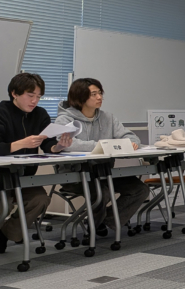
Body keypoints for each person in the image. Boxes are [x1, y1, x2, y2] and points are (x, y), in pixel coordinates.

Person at [54, 78, 151, 233]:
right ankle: (94, 228)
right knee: (102, 192)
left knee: (140, 190)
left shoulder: (108, 118)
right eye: (94, 94)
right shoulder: (65, 119)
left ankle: (105, 221)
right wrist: (103, 145)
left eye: (100, 93)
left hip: (105, 173)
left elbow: (131, 136)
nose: (99, 97)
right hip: (75, 175)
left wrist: (132, 143)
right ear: (80, 96)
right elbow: (68, 144)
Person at [0, 73, 73, 253]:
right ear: (14, 93)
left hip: (24, 178)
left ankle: (8, 233)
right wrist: (20, 144)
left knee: (40, 199)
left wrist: (58, 146)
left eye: (38, 97)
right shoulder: (0, 112)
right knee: (1, 205)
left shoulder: (40, 114)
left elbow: (47, 143)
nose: (34, 101)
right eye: (30, 95)